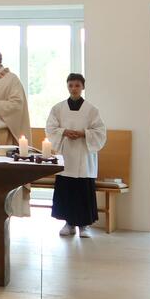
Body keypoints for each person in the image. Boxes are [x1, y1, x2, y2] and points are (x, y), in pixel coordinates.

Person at [45, 74, 107, 238]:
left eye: (77, 85)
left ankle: (84, 226)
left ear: (82, 87)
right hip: (66, 154)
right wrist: (64, 131)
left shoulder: (91, 110)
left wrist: (83, 133)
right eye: (71, 85)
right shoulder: (58, 108)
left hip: (84, 155)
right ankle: (68, 224)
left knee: (83, 190)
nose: (74, 88)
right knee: (67, 189)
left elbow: (100, 131)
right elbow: (50, 128)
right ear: (67, 86)